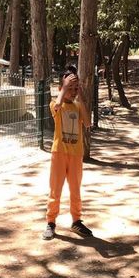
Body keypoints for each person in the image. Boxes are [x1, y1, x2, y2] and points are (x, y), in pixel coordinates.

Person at [42, 66, 93, 240]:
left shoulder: (78, 106)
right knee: (55, 189)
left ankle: (76, 221)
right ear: (60, 88)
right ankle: (50, 222)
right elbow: (56, 106)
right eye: (68, 88)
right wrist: (64, 89)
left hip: (76, 154)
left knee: (75, 189)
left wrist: (82, 97)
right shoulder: (56, 104)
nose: (72, 92)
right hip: (59, 153)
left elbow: (87, 123)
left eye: (74, 89)